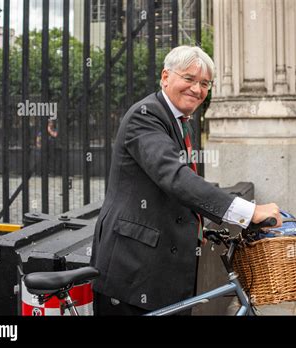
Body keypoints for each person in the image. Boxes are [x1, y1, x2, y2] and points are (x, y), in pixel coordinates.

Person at [89, 45, 282, 315]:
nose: (197, 89)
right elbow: (175, 177)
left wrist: (197, 227)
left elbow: (182, 185)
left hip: (161, 267)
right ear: (165, 77)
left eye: (205, 83)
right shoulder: (145, 116)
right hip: (134, 268)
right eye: (189, 79)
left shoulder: (180, 120)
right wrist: (249, 211)